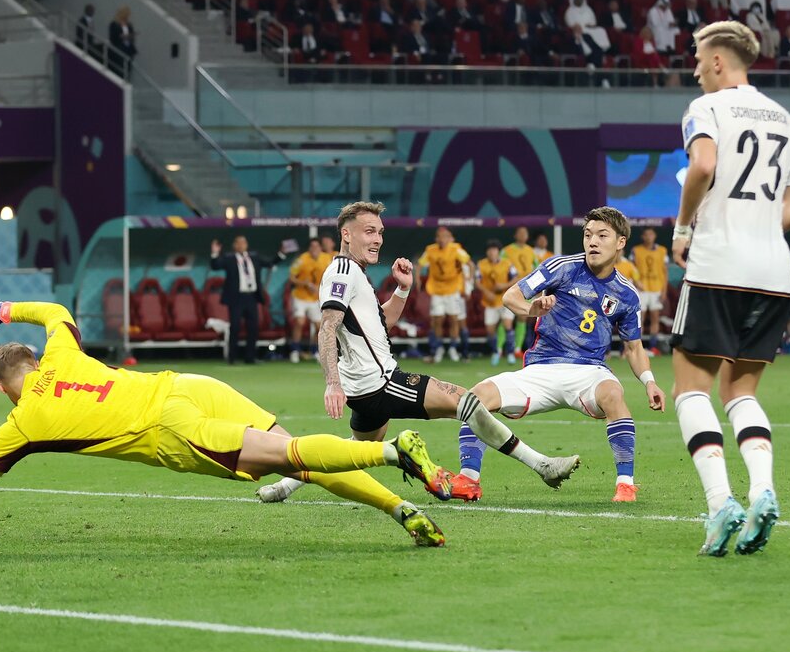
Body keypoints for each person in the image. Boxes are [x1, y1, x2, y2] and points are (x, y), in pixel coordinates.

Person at [0, 286, 449, 547]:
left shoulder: (23, 425)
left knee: (289, 456)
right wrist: (3, 310)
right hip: (189, 386)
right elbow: (55, 313)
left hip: (175, 431)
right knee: (301, 463)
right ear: (35, 362)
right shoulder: (61, 354)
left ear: (1, 388)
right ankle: (402, 511)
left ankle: (391, 450)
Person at [257, 202, 577, 504]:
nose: (377, 239)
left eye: (380, 232)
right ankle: (542, 465)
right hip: (379, 383)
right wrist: (332, 383)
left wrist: (403, 288)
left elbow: (381, 324)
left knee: (356, 450)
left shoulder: (354, 272)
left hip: (365, 387)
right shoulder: (342, 272)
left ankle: (285, 485)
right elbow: (327, 326)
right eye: (369, 231)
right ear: (346, 234)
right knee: (467, 402)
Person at [670, 21, 790, 556]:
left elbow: (703, 164)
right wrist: (758, 228)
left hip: (718, 264)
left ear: (718, 61)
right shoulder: (786, 119)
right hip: (774, 271)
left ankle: (720, 504)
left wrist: (684, 228)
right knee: (741, 392)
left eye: (698, 60)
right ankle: (763, 491)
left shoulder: (706, 108)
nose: (695, 70)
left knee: (690, 389)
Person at [454, 207, 663, 504]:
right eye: (588, 235)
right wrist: (531, 310)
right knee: (475, 398)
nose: (593, 241)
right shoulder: (561, 267)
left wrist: (649, 382)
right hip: (541, 369)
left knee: (614, 394)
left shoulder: (626, 293)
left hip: (589, 371)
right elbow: (511, 296)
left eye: (602, 235)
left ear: (620, 242)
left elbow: (633, 347)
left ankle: (626, 485)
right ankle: (468, 480)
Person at [209, 235, 284, 365]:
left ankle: (250, 357)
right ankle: (232, 357)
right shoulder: (229, 258)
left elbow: (270, 262)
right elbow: (215, 266)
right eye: (239, 243)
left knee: (253, 327)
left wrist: (282, 253)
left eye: (243, 242)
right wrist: (215, 253)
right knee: (235, 327)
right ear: (234, 245)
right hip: (236, 298)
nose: (241, 245)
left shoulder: (254, 257)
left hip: (251, 297)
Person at [418, 226, 472, 362]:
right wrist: (417, 280)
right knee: (437, 320)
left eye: (445, 236)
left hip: (453, 289)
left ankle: (453, 348)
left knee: (454, 319)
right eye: (440, 237)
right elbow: (419, 265)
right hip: (436, 289)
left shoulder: (456, 249)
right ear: (436, 238)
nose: (442, 239)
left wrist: (469, 280)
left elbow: (470, 264)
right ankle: (439, 348)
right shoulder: (430, 250)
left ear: (449, 238)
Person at [287, 236, 334, 364]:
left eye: (317, 246)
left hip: (316, 298)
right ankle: (294, 350)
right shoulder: (302, 259)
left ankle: (314, 351)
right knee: (300, 322)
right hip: (300, 296)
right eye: (312, 247)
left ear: (320, 248)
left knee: (319, 326)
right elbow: (292, 277)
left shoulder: (327, 258)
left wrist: (321, 287)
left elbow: (331, 276)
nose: (314, 249)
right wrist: (304, 283)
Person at [477, 241, 519, 366]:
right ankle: (496, 352)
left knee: (507, 324)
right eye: (490, 250)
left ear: (498, 252)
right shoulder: (481, 264)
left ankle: (510, 353)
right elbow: (477, 282)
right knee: (490, 330)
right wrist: (487, 292)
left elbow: (516, 279)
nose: (492, 252)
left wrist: (503, 286)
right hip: (490, 302)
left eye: (494, 250)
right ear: (487, 252)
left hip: (506, 300)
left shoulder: (507, 263)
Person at [631, 228, 669, 352]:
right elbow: (632, 269)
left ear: (655, 236)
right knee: (640, 318)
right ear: (642, 236)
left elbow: (665, 272)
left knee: (655, 318)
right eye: (646, 235)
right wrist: (636, 283)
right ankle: (639, 347)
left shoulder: (662, 251)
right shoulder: (636, 250)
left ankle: (653, 346)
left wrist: (664, 291)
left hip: (656, 289)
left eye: (651, 234)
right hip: (641, 289)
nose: (648, 237)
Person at [500, 227, 538, 354]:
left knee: (522, 317)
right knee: (506, 319)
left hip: (527, 289)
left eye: (525, 233)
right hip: (511, 288)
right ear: (515, 235)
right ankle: (500, 348)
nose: (523, 235)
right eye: (520, 233)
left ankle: (517, 349)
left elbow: (537, 269)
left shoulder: (531, 251)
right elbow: (500, 266)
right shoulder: (506, 251)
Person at [107, 6, 137, 77]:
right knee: (119, 70)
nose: (128, 16)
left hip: (128, 50)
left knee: (127, 69)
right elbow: (112, 38)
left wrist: (131, 36)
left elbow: (131, 36)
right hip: (119, 49)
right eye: (127, 14)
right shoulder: (114, 24)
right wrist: (122, 37)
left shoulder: (129, 25)